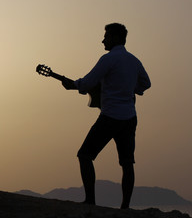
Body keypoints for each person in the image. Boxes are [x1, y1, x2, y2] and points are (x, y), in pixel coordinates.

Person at [61, 23, 151, 209]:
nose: (103, 40)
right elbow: (146, 84)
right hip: (129, 118)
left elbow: (88, 82)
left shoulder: (108, 59)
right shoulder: (134, 61)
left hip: (109, 117)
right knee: (127, 162)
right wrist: (130, 88)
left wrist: (73, 85)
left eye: (106, 36)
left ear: (116, 38)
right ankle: (125, 207)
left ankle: (90, 201)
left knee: (85, 155)